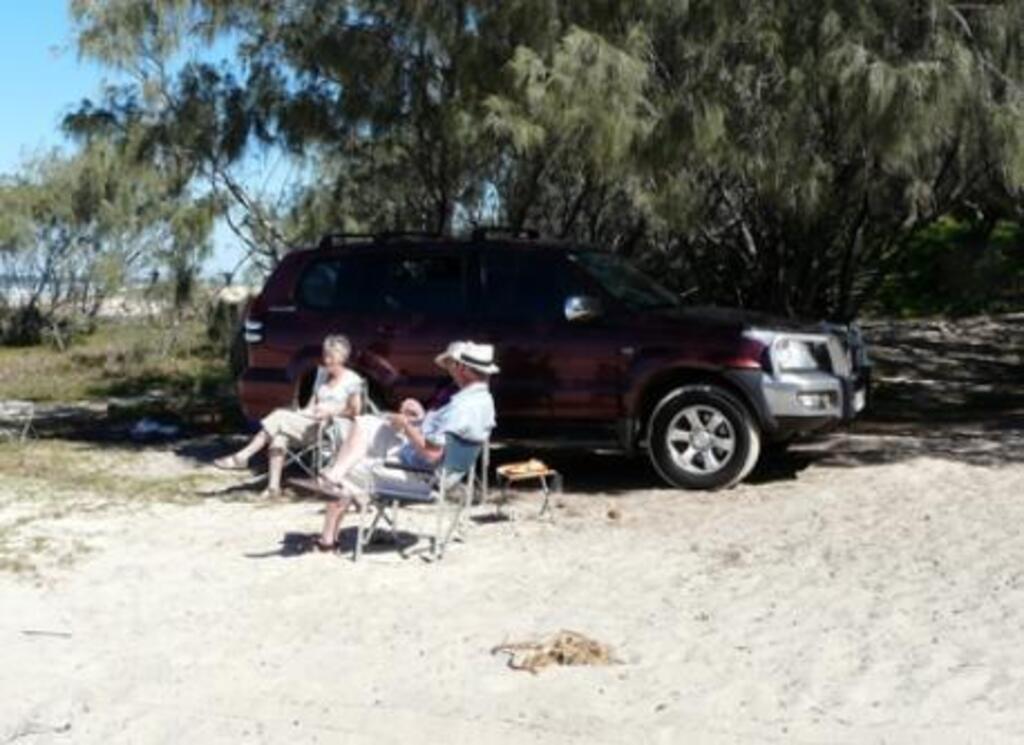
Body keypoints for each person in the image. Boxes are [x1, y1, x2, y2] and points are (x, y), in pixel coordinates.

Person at [300, 340, 498, 552]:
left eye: (452, 366)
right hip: (435, 469)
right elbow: (445, 440)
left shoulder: (464, 406)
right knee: (364, 423)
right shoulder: (480, 401)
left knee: (351, 468)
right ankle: (332, 479)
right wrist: (422, 419)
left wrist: (405, 426)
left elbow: (432, 454)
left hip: (423, 475)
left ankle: (327, 539)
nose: (450, 372)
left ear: (464, 369)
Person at [214, 335, 364, 497]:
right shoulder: (322, 376)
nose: (326, 360)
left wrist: (332, 412)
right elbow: (311, 405)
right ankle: (273, 487)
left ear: (342, 357)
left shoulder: (351, 380)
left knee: (279, 416)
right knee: (279, 435)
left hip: (329, 428)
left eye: (331, 357)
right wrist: (304, 413)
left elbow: (355, 412)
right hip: (308, 423)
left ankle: (242, 456)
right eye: (325, 355)